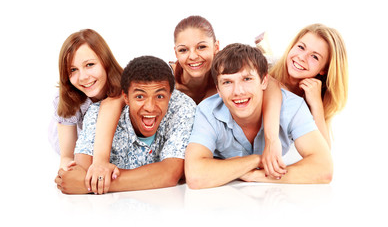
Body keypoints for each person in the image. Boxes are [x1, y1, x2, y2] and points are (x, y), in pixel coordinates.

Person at [83, 15, 284, 194]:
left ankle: (264, 50)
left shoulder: (229, 76)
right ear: (175, 53)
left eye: (202, 47)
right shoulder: (163, 78)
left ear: (216, 47)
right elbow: (115, 100)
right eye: (183, 50)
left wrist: (272, 140)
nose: (193, 56)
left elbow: (272, 84)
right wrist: (100, 161)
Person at [185, 43, 333, 189]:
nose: (238, 91)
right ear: (218, 88)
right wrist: (257, 161)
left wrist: (256, 176)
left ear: (264, 81)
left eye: (247, 79)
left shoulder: (292, 107)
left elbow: (323, 169)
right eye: (227, 82)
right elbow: (195, 176)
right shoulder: (207, 111)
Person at [55, 55, 197, 194]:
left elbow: (170, 174)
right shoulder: (97, 114)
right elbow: (82, 170)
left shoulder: (183, 108)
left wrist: (93, 184)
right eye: (140, 96)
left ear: (170, 96)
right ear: (125, 98)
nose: (150, 107)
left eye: (159, 96)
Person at [48, 29, 123, 170]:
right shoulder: (69, 98)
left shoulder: (128, 87)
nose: (83, 77)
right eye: (73, 70)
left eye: (89, 65)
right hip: (77, 138)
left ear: (105, 61)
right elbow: (67, 158)